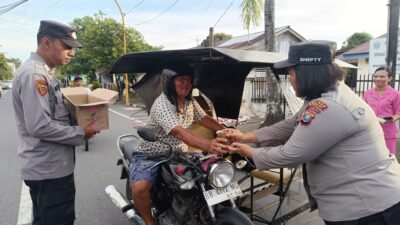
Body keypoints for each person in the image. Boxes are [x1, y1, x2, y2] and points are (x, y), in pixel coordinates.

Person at [224, 41, 400, 225]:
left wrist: (247, 151)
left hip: (367, 208)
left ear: (306, 73)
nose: (290, 80)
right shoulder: (323, 96)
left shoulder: (329, 106)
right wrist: (246, 136)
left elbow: (290, 155)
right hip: (359, 202)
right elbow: (291, 124)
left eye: (291, 74)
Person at [12, 20, 99, 225]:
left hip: (47, 168)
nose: (72, 53)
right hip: (49, 171)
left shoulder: (42, 72)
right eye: (67, 47)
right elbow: (39, 126)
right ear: (45, 43)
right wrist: (80, 133)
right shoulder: (36, 75)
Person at [129, 65, 228, 225]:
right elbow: (180, 132)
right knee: (140, 187)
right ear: (170, 82)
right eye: (181, 79)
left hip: (179, 153)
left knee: (207, 174)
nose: (186, 83)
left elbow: (204, 119)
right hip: (152, 155)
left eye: (188, 80)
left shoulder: (189, 101)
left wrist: (227, 132)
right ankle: (149, 222)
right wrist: (208, 145)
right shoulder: (163, 104)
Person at [363, 67, 400, 155]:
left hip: (388, 132)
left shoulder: (396, 94)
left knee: (388, 157)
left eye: (382, 76)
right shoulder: (368, 93)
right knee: (371, 157)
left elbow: (398, 113)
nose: (378, 79)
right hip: (370, 131)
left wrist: (390, 118)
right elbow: (363, 109)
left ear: (389, 78)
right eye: (375, 76)